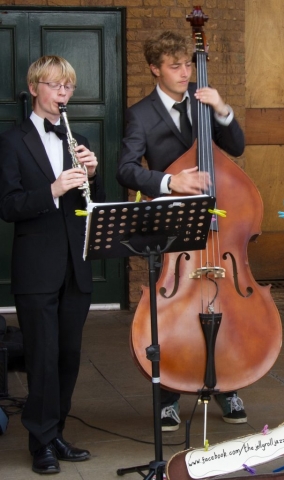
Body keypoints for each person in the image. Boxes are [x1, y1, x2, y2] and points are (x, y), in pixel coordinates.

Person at [116, 31, 247, 431]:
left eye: (188, 65)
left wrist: (223, 109)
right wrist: (170, 183)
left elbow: (237, 147)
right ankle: (169, 395)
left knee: (226, 302)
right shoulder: (140, 113)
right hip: (173, 223)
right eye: (175, 66)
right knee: (172, 310)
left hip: (218, 225)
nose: (185, 73)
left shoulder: (204, 103)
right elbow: (125, 169)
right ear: (155, 68)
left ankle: (229, 385)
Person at [0, 55, 105, 474]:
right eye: (55, 85)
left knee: (68, 355)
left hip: (74, 266)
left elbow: (86, 204)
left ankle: (56, 431)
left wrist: (92, 175)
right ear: (34, 88)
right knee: (41, 356)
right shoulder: (11, 141)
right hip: (37, 267)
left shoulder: (72, 137)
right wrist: (53, 189)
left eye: (68, 87)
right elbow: (8, 206)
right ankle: (39, 442)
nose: (63, 93)